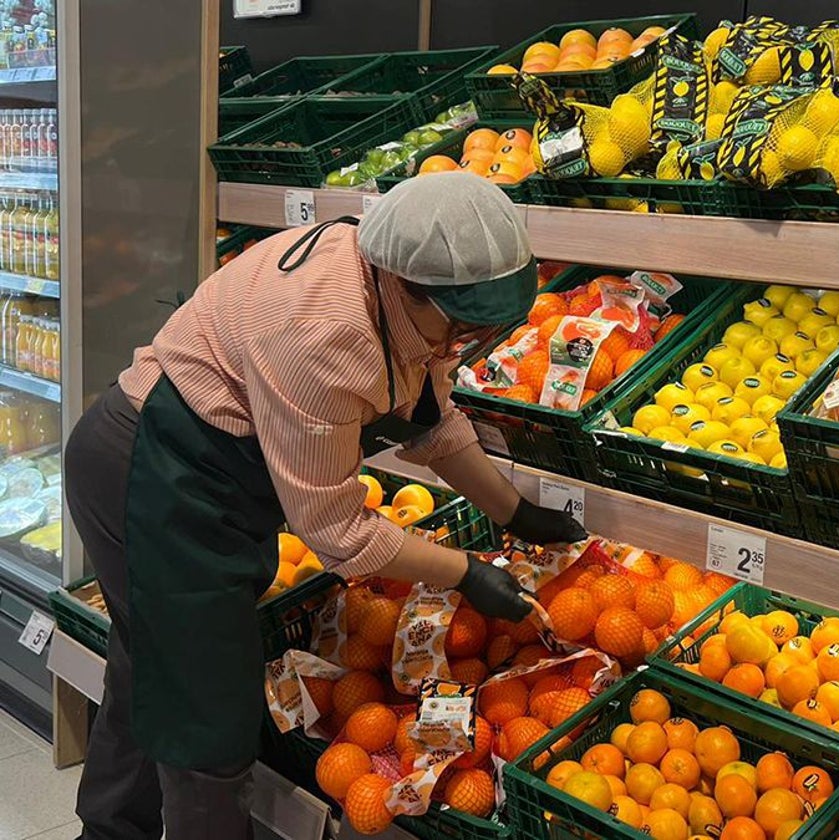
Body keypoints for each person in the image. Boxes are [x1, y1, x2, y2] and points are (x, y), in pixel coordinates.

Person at [62, 172, 586, 840]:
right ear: (403, 282)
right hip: (152, 473)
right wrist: (464, 571)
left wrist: (514, 511)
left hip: (206, 478)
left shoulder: (395, 292)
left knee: (155, 668)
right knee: (208, 718)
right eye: (458, 324)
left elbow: (431, 418)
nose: (460, 343)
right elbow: (336, 531)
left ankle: (106, 834)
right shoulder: (325, 331)